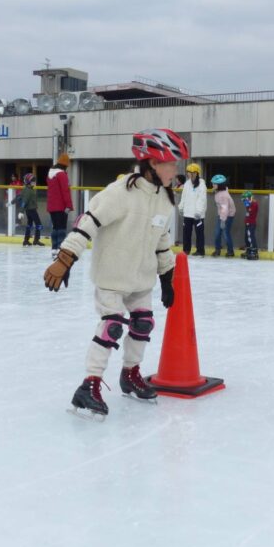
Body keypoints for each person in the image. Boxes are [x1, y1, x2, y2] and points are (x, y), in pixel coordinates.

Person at [43, 128, 188, 419]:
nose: (175, 169)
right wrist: (66, 256)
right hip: (112, 276)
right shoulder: (120, 193)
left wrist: (166, 277)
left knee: (143, 324)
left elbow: (162, 243)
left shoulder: (165, 200)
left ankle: (130, 374)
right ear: (153, 163)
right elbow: (88, 223)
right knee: (113, 326)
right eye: (171, 162)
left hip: (141, 279)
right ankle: (89, 385)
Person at [47, 153, 74, 259]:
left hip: (52, 206)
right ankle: (60, 249)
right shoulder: (62, 174)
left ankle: (54, 249)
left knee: (55, 228)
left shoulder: (50, 174)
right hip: (61, 206)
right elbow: (65, 191)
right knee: (62, 228)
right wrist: (69, 205)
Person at [178, 163, 207, 257]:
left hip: (197, 215)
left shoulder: (202, 185)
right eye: (188, 172)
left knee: (199, 234)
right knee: (186, 232)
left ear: (196, 173)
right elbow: (184, 197)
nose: (189, 174)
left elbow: (201, 199)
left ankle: (200, 250)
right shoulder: (187, 184)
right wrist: (181, 207)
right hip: (187, 213)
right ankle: (186, 250)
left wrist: (198, 212)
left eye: (191, 172)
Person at [12, 173, 44, 246]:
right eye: (33, 180)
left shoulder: (26, 189)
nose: (34, 182)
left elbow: (19, 197)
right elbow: (24, 201)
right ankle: (36, 240)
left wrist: (12, 202)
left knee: (29, 224)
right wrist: (21, 211)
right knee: (39, 224)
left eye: (34, 180)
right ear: (28, 182)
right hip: (32, 210)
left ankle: (26, 240)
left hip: (29, 210)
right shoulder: (28, 190)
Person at [211, 174, 236, 257]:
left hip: (227, 215)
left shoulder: (223, 195)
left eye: (214, 184)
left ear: (220, 185)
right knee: (217, 232)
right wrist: (215, 190)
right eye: (213, 183)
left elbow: (225, 209)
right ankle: (217, 249)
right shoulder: (220, 192)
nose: (213, 185)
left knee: (225, 233)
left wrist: (223, 221)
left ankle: (230, 251)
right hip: (222, 215)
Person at [241, 190, 259, 260]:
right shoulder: (249, 204)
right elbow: (248, 212)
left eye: (245, 199)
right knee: (246, 237)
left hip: (251, 223)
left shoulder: (254, 204)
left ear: (249, 198)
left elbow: (251, 213)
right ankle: (248, 250)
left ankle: (254, 252)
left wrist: (248, 204)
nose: (244, 201)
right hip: (248, 223)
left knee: (251, 237)